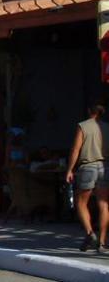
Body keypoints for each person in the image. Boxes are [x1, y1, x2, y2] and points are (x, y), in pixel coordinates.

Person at [65, 104, 109, 252]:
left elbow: (76, 149)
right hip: (105, 167)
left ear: (89, 111)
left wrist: (70, 169)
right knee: (103, 204)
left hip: (87, 167)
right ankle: (102, 242)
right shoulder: (107, 127)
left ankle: (90, 233)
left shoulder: (83, 126)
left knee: (81, 202)